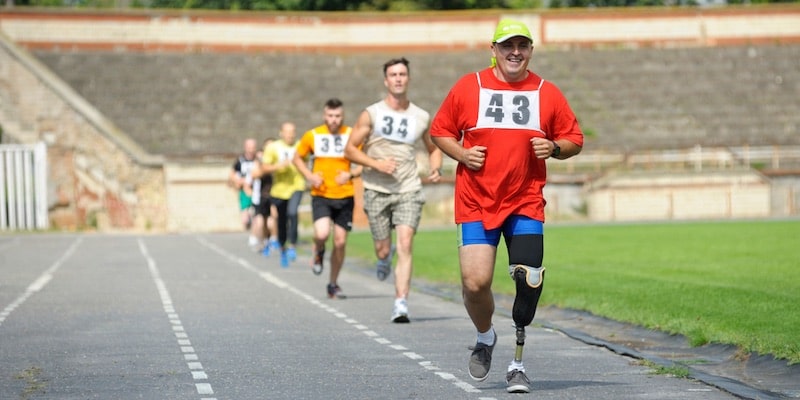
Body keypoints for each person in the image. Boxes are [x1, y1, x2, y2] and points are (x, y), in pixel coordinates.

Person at [429, 19, 584, 393]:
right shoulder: (469, 86)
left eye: (522, 45)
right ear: (493, 49)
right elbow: (440, 131)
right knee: (475, 283)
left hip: (524, 200)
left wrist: (554, 148)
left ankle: (518, 364)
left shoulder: (546, 92)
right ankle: (485, 336)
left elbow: (574, 138)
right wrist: (462, 154)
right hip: (476, 200)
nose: (515, 52)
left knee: (529, 278)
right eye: (507, 45)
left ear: (531, 50)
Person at [344, 57, 443, 323]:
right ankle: (383, 259)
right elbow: (350, 150)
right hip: (376, 188)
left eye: (402, 74)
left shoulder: (421, 116)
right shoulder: (371, 113)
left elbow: (434, 148)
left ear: (408, 78)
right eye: (393, 75)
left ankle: (401, 303)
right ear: (386, 81)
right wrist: (376, 163)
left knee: (406, 243)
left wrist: (435, 167)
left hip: (408, 188)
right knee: (383, 249)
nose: (398, 78)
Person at [293, 98, 362, 299]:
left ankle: (333, 283)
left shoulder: (351, 135)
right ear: (324, 116)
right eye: (330, 116)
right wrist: (309, 176)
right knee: (322, 234)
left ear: (343, 116)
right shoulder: (313, 135)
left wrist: (350, 174)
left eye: (337, 116)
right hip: (321, 194)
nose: (334, 120)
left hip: (345, 195)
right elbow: (296, 158)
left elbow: (365, 162)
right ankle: (318, 250)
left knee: (340, 242)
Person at [262, 122, 306, 268]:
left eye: (292, 132)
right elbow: (265, 167)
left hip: (297, 185)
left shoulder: (301, 145)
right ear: (281, 133)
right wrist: (278, 166)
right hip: (279, 190)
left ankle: (292, 244)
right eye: (287, 132)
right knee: (281, 220)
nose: (290, 135)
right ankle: (283, 248)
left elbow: (307, 162)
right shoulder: (273, 147)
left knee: (292, 212)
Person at [229, 137, 260, 249]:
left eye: (253, 147)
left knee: (257, 214)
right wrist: (239, 182)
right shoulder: (240, 161)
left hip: (256, 190)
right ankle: (249, 224)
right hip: (244, 191)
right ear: (245, 148)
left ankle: (254, 236)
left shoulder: (258, 160)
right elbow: (232, 174)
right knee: (245, 220)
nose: (251, 150)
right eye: (249, 147)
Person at [249, 139, 275, 254]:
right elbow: (254, 175)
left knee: (273, 219)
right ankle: (263, 241)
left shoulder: (279, 159)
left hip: (276, 193)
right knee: (261, 222)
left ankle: (274, 240)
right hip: (262, 195)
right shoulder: (260, 160)